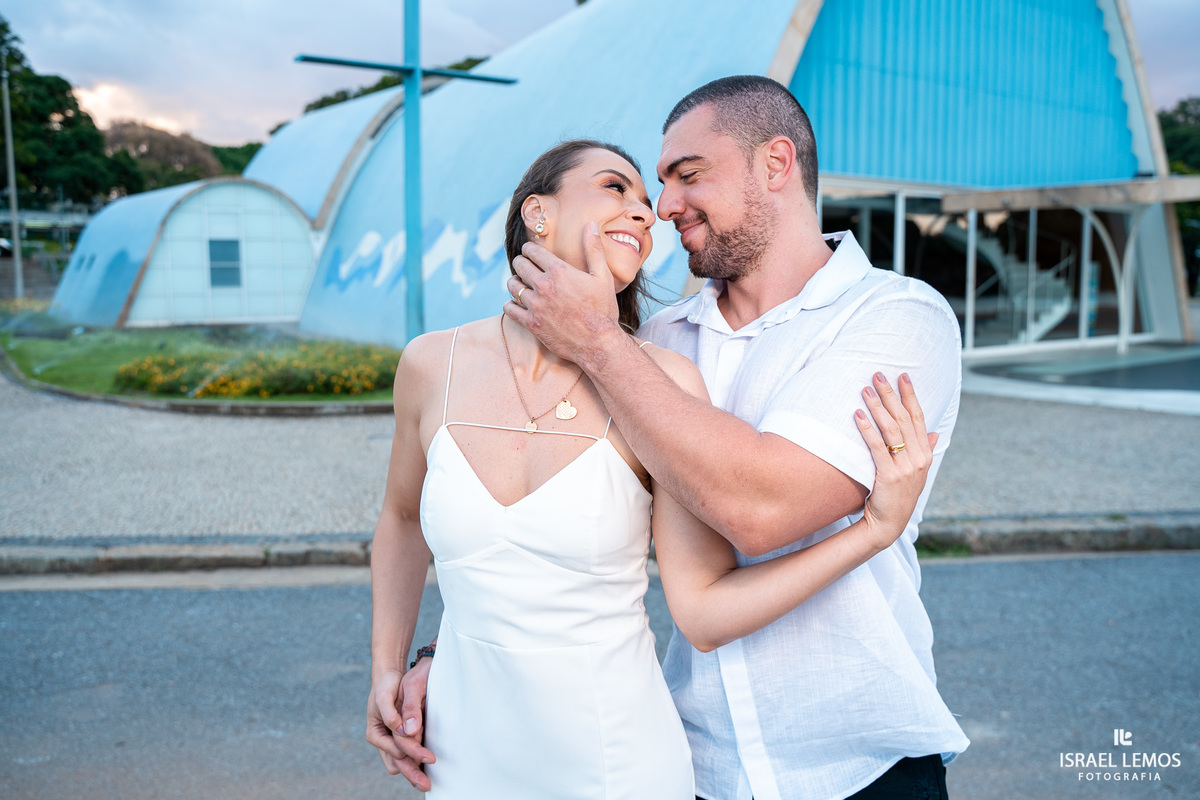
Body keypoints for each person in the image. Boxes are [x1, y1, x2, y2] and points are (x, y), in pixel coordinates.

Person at [398, 76, 971, 799]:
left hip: (858, 766)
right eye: (655, 184)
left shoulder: (894, 318)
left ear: (776, 164)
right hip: (694, 764)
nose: (663, 208)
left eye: (686, 176)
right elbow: (550, 535)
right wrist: (448, 652)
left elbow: (762, 511)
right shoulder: (656, 344)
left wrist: (601, 344)